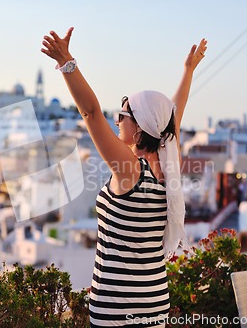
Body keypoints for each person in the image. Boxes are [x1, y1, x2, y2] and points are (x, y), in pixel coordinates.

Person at [41, 27, 207, 328]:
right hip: (155, 303)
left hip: (117, 312)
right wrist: (188, 71)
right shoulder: (167, 167)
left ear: (141, 128)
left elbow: (90, 112)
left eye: (124, 115)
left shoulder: (132, 169)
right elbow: (172, 116)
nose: (117, 120)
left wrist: (67, 64)